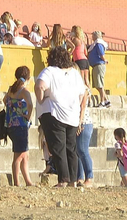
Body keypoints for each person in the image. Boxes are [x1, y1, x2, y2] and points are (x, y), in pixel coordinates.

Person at [36, 43, 88, 188]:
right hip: (72, 116)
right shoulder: (75, 73)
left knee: (58, 148)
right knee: (71, 148)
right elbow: (82, 93)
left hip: (54, 114)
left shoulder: (50, 71)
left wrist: (41, 99)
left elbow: (40, 86)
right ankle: (73, 180)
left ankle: (63, 180)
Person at [4, 65, 35, 186]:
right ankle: (16, 182)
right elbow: (30, 104)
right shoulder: (24, 91)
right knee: (19, 155)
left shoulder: (11, 89)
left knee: (24, 154)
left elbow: (4, 100)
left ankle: (27, 181)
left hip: (11, 124)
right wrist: (28, 116)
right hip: (21, 125)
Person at [86, 32, 110, 106]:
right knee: (97, 85)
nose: (92, 37)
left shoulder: (99, 43)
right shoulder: (95, 44)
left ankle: (102, 102)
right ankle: (106, 101)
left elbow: (101, 53)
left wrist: (104, 59)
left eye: (93, 35)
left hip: (99, 65)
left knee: (99, 84)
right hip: (95, 66)